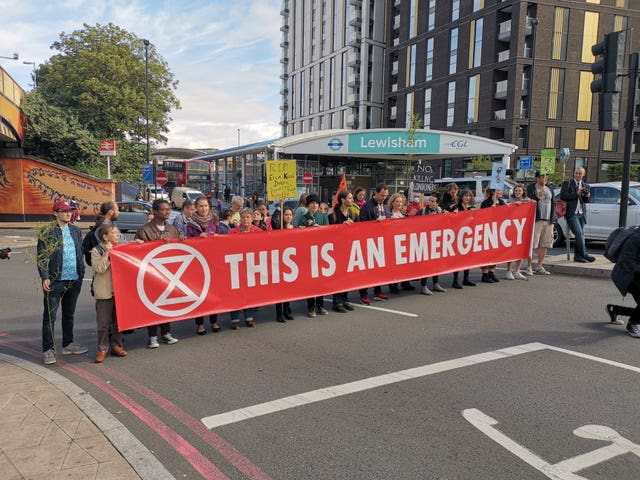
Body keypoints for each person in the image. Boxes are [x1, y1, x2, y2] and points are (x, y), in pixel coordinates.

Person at [38, 200, 88, 365]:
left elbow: (80, 251)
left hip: (74, 279)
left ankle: (68, 343)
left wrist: (81, 273)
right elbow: (42, 256)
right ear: (55, 213)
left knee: (69, 315)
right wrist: (45, 276)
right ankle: (48, 349)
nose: (68, 213)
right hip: (55, 280)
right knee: (50, 317)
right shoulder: (47, 231)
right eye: (64, 211)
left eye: (70, 211)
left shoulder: (75, 230)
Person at [135, 199, 181, 348]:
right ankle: (152, 336)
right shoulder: (144, 230)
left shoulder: (172, 229)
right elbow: (138, 251)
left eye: (168, 209)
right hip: (152, 273)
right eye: (163, 209)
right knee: (153, 305)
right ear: (155, 212)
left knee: (166, 304)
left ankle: (166, 332)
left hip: (169, 273)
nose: (167, 212)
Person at [91, 224, 127, 363]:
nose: (117, 234)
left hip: (119, 291)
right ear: (105, 237)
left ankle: (116, 345)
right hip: (104, 292)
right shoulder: (97, 250)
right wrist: (108, 253)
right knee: (103, 323)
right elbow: (99, 268)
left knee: (118, 321)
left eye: (118, 232)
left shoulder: (122, 247)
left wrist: (139, 244)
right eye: (114, 232)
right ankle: (102, 348)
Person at [186, 196, 220, 335]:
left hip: (213, 263)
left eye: (206, 206)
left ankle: (214, 321)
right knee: (199, 294)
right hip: (198, 264)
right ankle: (200, 324)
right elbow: (188, 243)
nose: (203, 209)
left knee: (213, 293)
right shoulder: (191, 224)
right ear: (196, 208)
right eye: (200, 206)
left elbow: (221, 240)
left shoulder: (215, 222)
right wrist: (198, 240)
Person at [228, 208, 263, 328]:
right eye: (243, 217)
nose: (245, 219)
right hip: (236, 265)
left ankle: (249, 317)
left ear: (252, 219)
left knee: (250, 291)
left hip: (252, 265)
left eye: (248, 217)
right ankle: (235, 319)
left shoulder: (258, 231)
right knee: (236, 292)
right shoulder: (232, 232)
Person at [358, 183, 391, 303]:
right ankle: (364, 294)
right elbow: (361, 224)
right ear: (375, 193)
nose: (384, 197)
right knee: (366, 270)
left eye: (386, 195)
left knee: (379, 269)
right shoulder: (367, 206)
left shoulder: (386, 206)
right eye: (382, 195)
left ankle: (378, 291)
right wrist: (374, 223)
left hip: (382, 242)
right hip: (369, 242)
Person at [298, 194, 330, 316]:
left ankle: (321, 305)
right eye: (312, 203)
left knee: (320, 281)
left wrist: (318, 228)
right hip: (308, 253)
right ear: (308, 205)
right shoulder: (303, 218)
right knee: (310, 281)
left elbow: (328, 232)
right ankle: (311, 306)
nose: (314, 205)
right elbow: (300, 236)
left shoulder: (323, 217)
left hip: (321, 253)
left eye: (316, 203)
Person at [609, 227, 640, 337]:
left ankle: (614, 310)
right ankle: (632, 324)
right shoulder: (636, 238)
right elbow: (627, 261)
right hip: (625, 275)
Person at [329, 191, 357, 313]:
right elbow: (330, 234)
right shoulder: (333, 216)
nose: (352, 200)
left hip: (349, 249)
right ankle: (337, 302)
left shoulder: (354, 215)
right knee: (338, 277)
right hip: (337, 251)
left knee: (347, 277)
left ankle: (345, 300)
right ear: (342, 200)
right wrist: (342, 226)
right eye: (350, 198)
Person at [560, 167, 595, 263]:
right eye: (576, 173)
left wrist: (587, 196)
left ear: (583, 175)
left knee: (581, 235)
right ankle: (584, 254)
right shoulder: (567, 184)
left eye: (580, 173)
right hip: (572, 213)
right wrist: (576, 194)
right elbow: (563, 196)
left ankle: (578, 256)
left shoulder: (586, 185)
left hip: (581, 213)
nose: (578, 175)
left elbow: (586, 201)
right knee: (578, 234)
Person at [416, 192, 446, 294]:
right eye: (430, 201)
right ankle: (424, 285)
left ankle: (435, 283)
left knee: (436, 263)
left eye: (433, 201)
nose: (430, 203)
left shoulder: (441, 211)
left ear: (438, 203)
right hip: (425, 240)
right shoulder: (423, 211)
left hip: (436, 240)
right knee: (426, 265)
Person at [526, 171, 556, 275]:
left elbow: (553, 203)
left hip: (548, 220)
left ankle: (539, 265)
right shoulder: (531, 188)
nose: (545, 178)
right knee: (533, 244)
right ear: (537, 178)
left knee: (545, 244)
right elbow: (528, 200)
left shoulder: (549, 188)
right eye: (542, 177)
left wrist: (553, 218)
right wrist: (536, 197)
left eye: (546, 176)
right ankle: (529, 266)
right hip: (536, 219)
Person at [386, 193, 415, 293]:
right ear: (392, 202)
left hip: (403, 243)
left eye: (401, 202)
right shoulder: (388, 215)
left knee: (404, 265)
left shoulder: (404, 215)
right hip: (392, 244)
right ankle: (393, 286)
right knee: (394, 266)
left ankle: (405, 283)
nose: (399, 203)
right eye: (397, 201)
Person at [272, 207, 296, 322]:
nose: (288, 216)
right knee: (279, 288)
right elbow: (273, 221)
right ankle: (279, 312)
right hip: (279, 261)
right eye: (286, 214)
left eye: (290, 214)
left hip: (290, 262)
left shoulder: (294, 228)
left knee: (288, 288)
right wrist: (278, 210)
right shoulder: (278, 227)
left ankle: (287, 309)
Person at [505, 185, 532, 280]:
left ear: (523, 192)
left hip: (523, 228)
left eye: (519, 191)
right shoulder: (510, 200)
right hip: (513, 227)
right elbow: (506, 210)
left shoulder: (528, 200)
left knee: (521, 250)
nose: (517, 192)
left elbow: (532, 204)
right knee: (511, 251)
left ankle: (517, 270)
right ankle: (508, 271)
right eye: (516, 191)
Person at [451, 189, 477, 289]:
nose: (467, 198)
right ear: (461, 197)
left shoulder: (472, 208)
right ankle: (455, 280)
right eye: (465, 196)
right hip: (458, 236)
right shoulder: (456, 207)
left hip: (468, 236)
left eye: (469, 196)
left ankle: (466, 278)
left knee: (467, 259)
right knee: (457, 260)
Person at [480, 188, 506, 283]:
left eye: (501, 191)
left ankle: (491, 272)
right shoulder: (486, 203)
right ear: (493, 192)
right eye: (498, 191)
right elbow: (482, 216)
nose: (500, 192)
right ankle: (485, 274)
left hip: (498, 230)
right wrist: (491, 208)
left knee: (495, 253)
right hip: (488, 230)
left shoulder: (502, 202)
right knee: (487, 253)